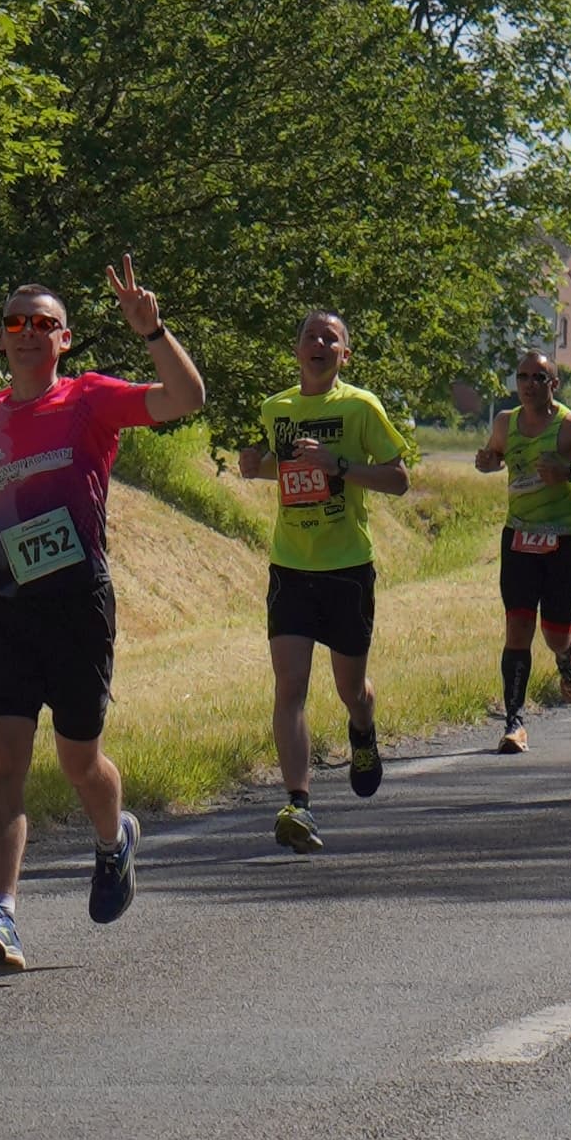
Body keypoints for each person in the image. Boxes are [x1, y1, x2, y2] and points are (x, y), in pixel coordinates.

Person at [0, 256, 205, 972]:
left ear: (63, 339)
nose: (27, 333)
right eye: (15, 323)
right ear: (0, 338)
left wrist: (152, 330)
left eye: (43, 324)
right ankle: (2, 915)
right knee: (5, 761)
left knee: (79, 759)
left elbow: (185, 397)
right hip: (6, 604)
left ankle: (113, 837)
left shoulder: (89, 400)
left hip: (77, 603)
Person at [237, 311, 410, 853]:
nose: (318, 343)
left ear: (344, 355)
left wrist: (340, 466)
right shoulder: (277, 409)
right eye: (310, 336)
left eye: (330, 338)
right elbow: (281, 466)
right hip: (290, 565)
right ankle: (299, 803)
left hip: (346, 568)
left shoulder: (361, 407)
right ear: (296, 350)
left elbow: (399, 479)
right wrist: (253, 464)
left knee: (349, 690)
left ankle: (363, 729)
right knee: (290, 688)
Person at [474, 350, 571, 754]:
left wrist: (570, 471)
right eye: (522, 376)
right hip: (520, 536)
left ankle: (566, 654)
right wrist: (487, 461)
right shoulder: (505, 421)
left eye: (538, 377)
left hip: (563, 540)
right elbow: (496, 457)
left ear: (553, 384)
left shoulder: (569, 426)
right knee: (517, 628)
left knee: (554, 632)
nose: (527, 384)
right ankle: (515, 722)